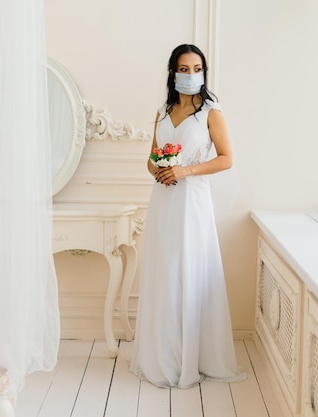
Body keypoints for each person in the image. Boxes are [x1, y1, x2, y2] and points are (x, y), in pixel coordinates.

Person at [129, 44, 246, 388]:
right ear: (172, 73)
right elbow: (151, 158)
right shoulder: (162, 113)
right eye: (184, 69)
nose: (191, 75)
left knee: (189, 270)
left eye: (197, 68)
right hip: (163, 201)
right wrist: (160, 168)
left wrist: (186, 171)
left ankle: (194, 356)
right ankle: (163, 354)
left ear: (203, 73)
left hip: (192, 203)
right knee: (164, 271)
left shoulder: (211, 112)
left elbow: (226, 158)